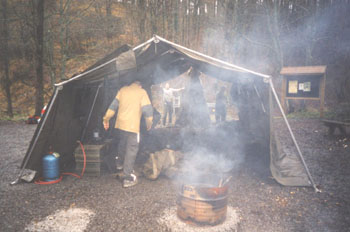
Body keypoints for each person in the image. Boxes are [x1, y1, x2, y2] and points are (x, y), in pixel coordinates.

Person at [103, 80, 153, 188]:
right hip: (133, 126)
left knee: (123, 143)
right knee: (132, 149)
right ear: (140, 85)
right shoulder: (141, 92)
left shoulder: (122, 90)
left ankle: (120, 164)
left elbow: (113, 106)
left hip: (121, 124)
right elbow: (147, 110)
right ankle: (128, 177)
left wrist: (106, 119)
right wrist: (149, 123)